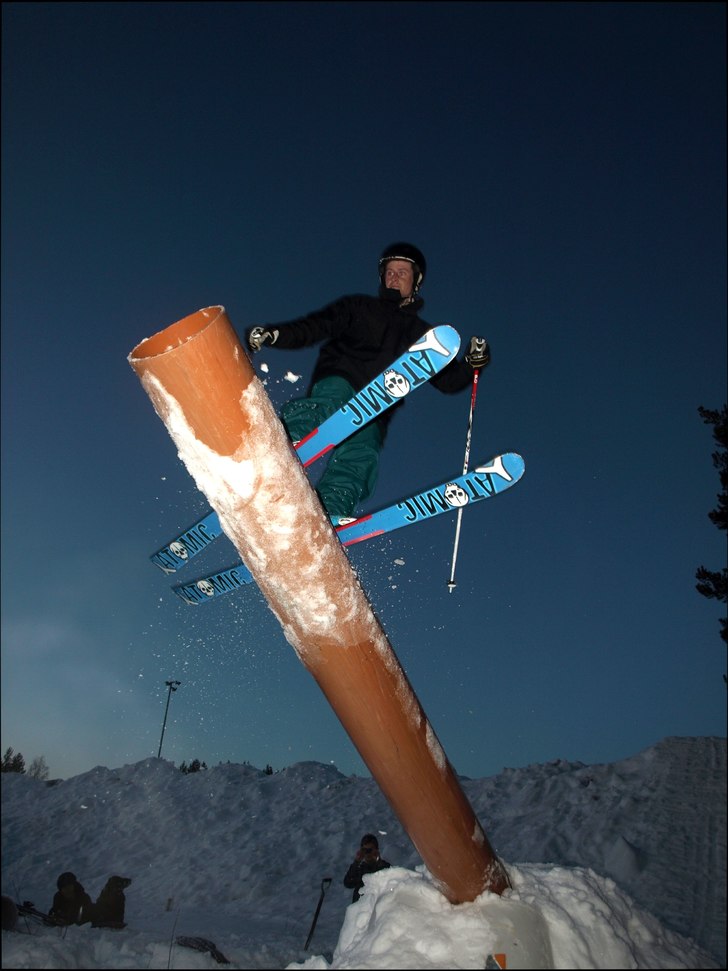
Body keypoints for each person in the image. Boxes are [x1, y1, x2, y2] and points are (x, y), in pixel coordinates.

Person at [247, 242, 490, 521]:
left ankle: (331, 511)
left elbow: (448, 381)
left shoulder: (421, 335)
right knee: (328, 407)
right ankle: (282, 441)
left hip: (377, 405)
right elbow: (315, 326)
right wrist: (275, 334)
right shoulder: (358, 306)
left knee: (361, 457)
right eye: (389, 272)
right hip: (341, 379)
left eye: (402, 272)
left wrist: (472, 364)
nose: (393, 277)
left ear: (416, 281)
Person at [343, 833, 391, 903]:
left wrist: (378, 861)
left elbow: (389, 882)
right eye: (365, 850)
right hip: (360, 909)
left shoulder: (384, 867)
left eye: (370, 850)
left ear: (376, 850)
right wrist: (356, 862)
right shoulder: (359, 869)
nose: (368, 853)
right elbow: (348, 883)